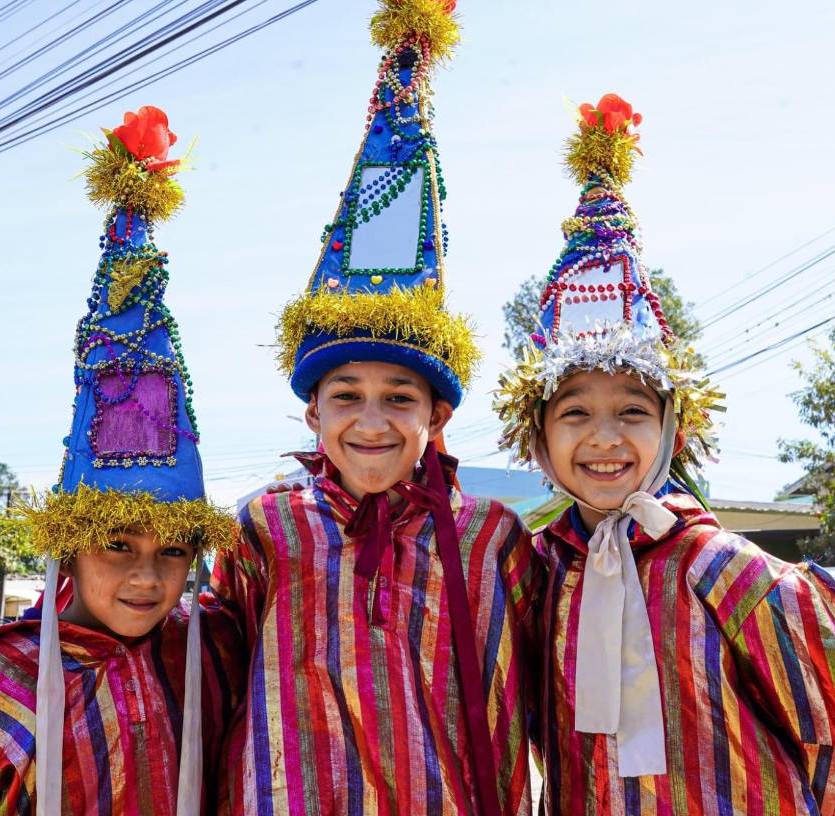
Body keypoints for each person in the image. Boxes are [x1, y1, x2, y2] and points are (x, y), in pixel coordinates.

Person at [493, 94, 835, 815]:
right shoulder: (539, 574)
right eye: (575, 413)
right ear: (538, 439)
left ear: (674, 433)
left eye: (632, 412)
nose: (604, 437)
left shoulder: (725, 570)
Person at [0, 106, 237, 816]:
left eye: (174, 551)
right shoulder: (4, 674)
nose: (148, 577)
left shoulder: (205, 652)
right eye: (118, 545)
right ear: (69, 547)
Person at [207, 3, 542, 814]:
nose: (370, 421)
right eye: (346, 397)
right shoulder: (263, 528)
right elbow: (207, 670)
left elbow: (552, 679)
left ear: (437, 418)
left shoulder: (493, 537)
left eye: (399, 398)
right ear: (312, 417)